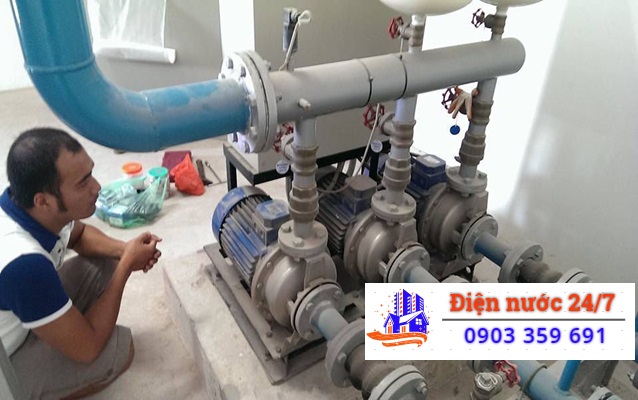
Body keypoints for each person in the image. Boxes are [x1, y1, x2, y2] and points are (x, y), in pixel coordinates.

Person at [0, 127, 162, 399]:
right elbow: (88, 348)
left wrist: (125, 251)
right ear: (43, 201)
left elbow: (79, 234)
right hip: (5, 362)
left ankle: (51, 323)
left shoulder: (22, 203)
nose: (96, 187)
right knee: (117, 351)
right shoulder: (23, 263)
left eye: (90, 174)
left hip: (18, 313)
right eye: (82, 183)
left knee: (106, 261)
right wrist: (126, 267)